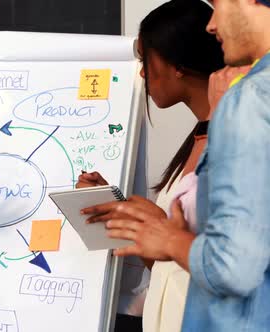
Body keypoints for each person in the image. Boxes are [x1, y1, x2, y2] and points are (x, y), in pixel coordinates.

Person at [86, 0, 270, 330]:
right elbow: (171, 267)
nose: (142, 72)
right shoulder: (202, 136)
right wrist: (134, 220)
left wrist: (170, 238)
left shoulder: (246, 108)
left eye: (147, 59)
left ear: (177, 64)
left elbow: (235, 266)